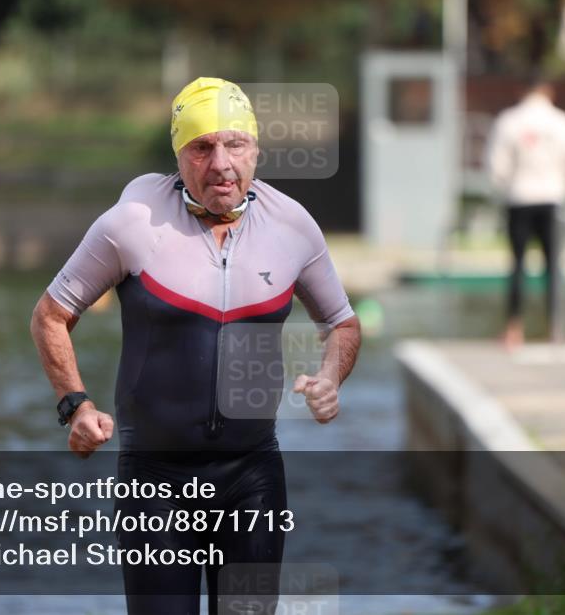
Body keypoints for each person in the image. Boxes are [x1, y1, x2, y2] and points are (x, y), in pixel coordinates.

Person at [30, 77, 362, 615]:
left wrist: (330, 377)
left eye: (235, 144)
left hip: (252, 475)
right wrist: (76, 404)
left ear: (256, 149)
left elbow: (343, 324)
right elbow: (50, 316)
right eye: (202, 148)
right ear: (179, 156)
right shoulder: (132, 224)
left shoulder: (293, 226)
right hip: (155, 479)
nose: (221, 163)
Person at [485, 79, 565, 349]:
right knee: (554, 266)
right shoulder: (563, 122)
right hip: (553, 199)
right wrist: (561, 186)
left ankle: (513, 330)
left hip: (519, 199)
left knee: (517, 265)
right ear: (549, 92)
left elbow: (496, 167)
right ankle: (557, 330)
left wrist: (511, 186)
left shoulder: (508, 121)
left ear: (522, 91)